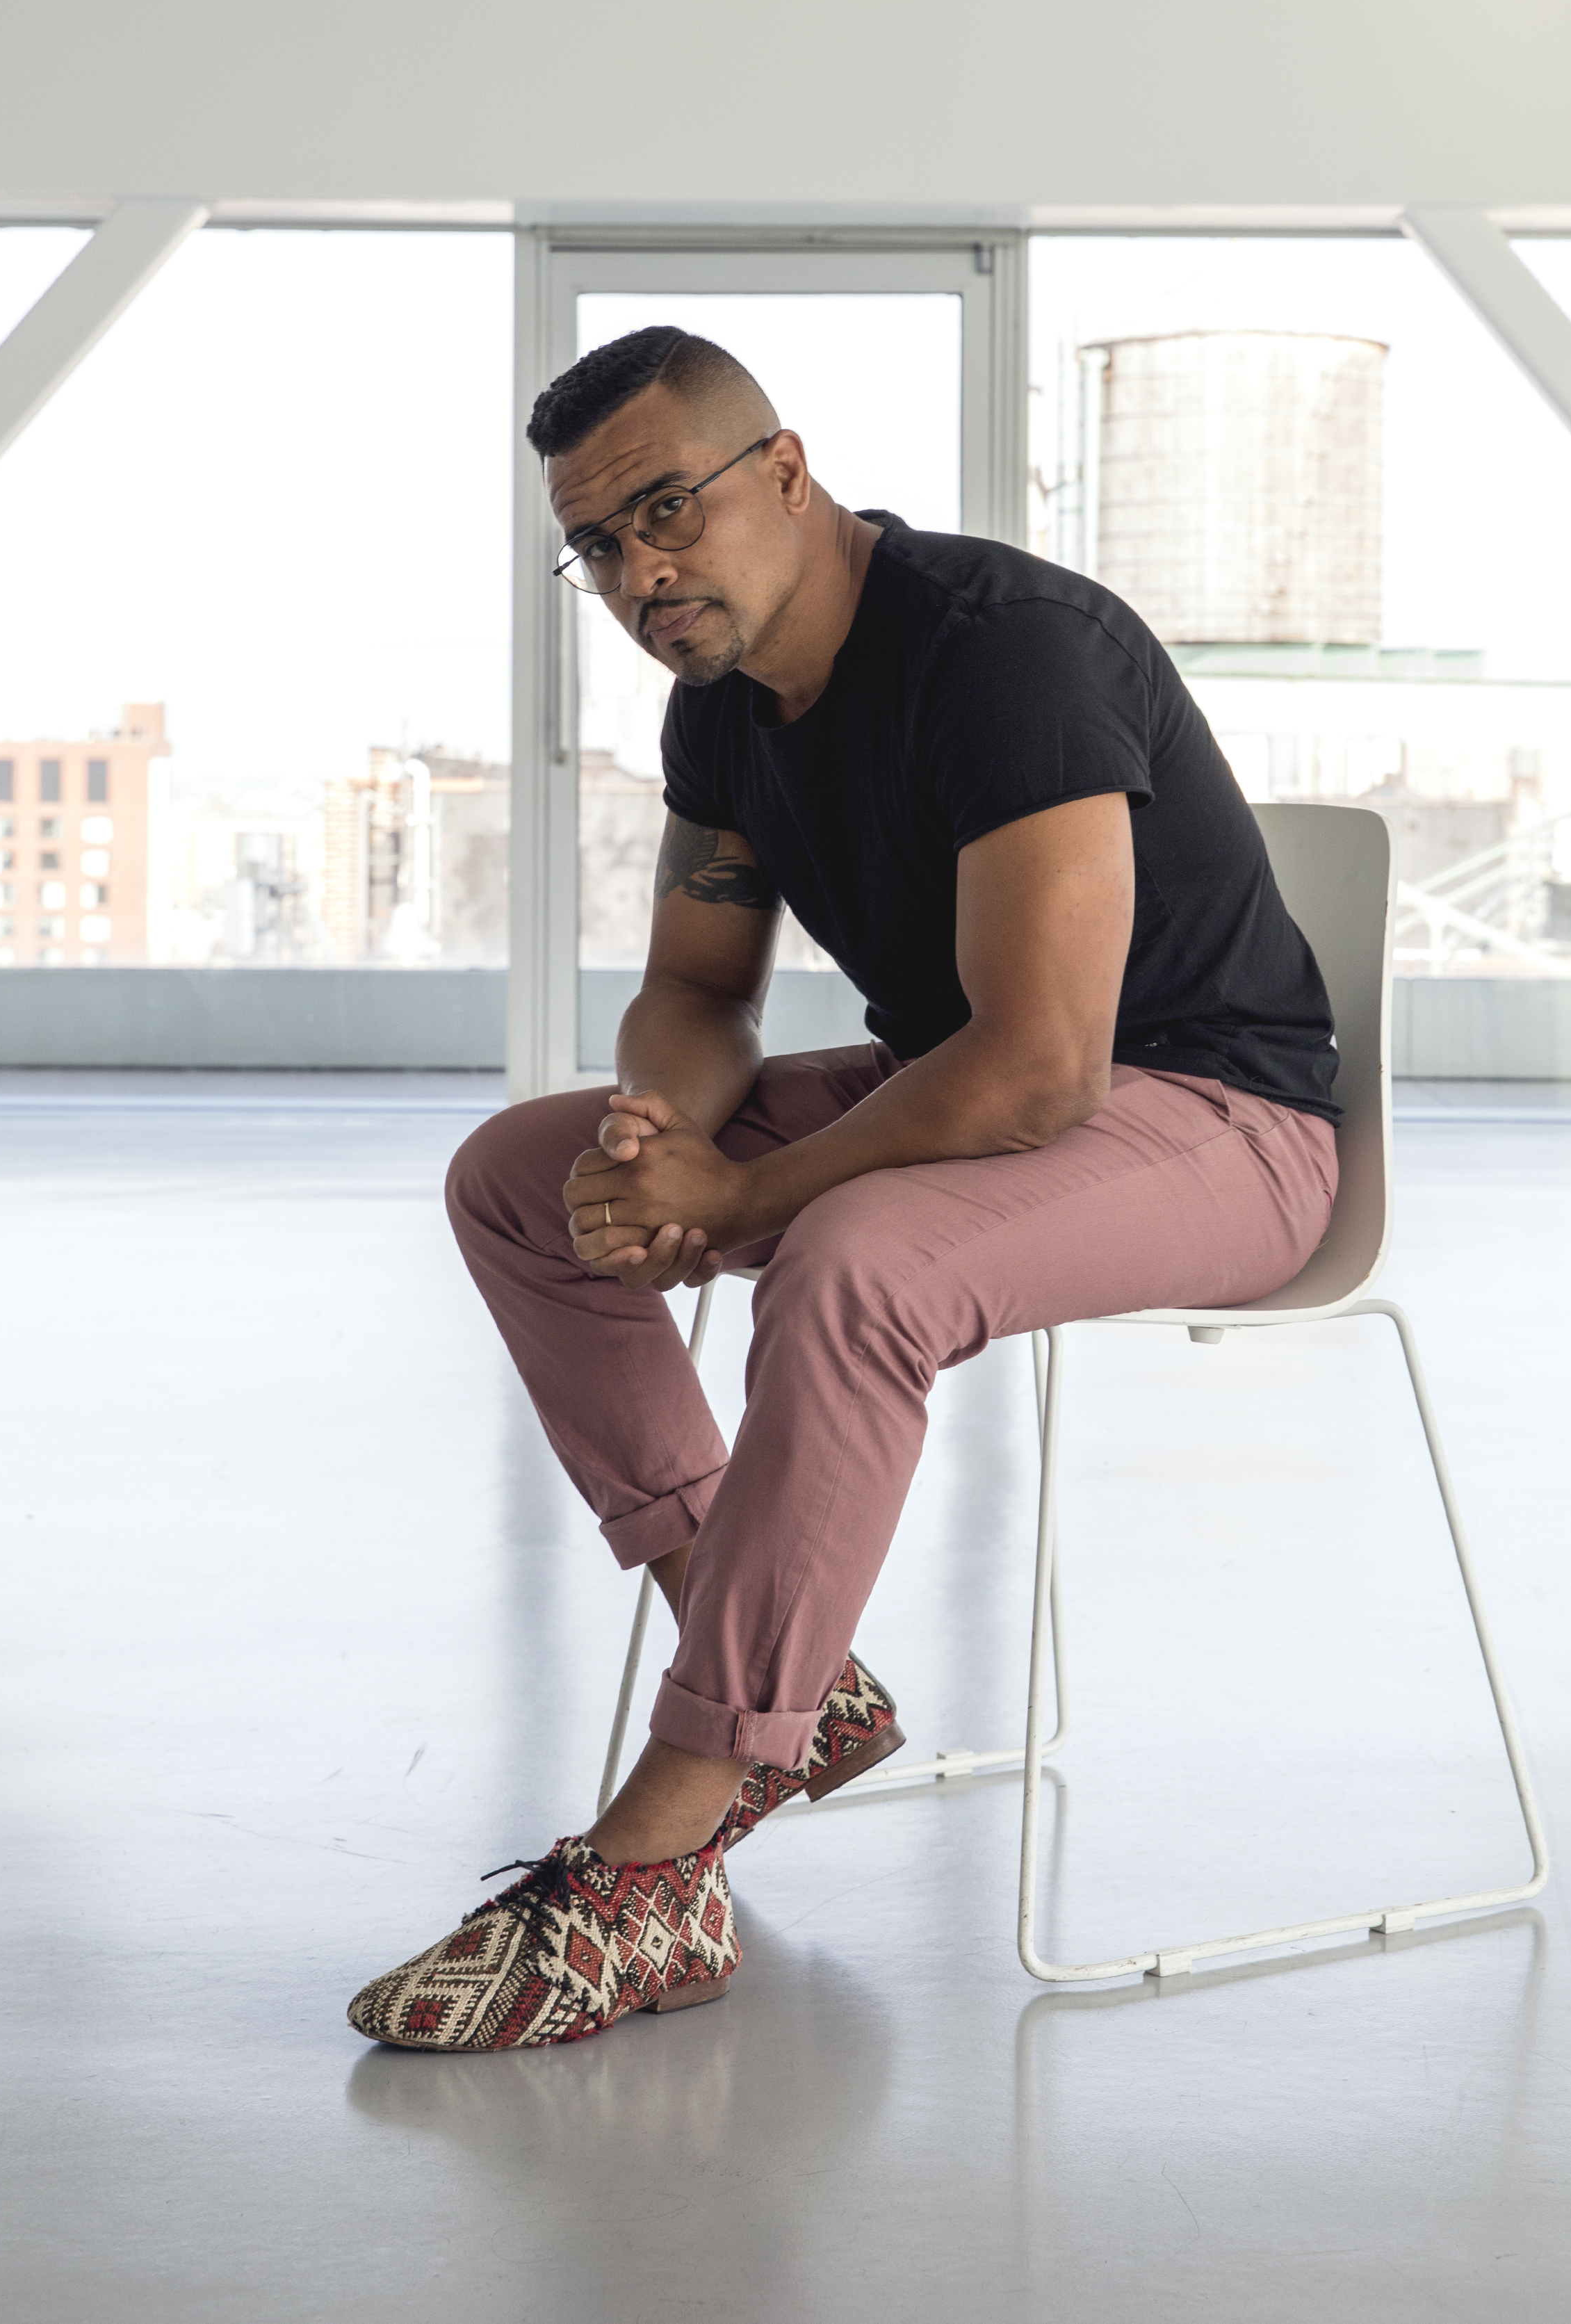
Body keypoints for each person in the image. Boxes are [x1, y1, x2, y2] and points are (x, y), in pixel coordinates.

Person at [348, 325, 1340, 2052]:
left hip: (1219, 1117)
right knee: (520, 1174)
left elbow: (1040, 1062)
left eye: (667, 511)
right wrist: (658, 1141)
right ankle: (783, 1657)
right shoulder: (721, 707)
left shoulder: (1002, 652)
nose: (639, 571)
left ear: (785, 472)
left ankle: (663, 1848)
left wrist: (753, 1200)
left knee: (859, 1256)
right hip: (962, 1084)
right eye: (595, 544)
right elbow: (701, 991)